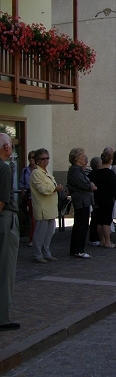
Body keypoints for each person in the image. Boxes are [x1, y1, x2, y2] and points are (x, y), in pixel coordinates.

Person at [0, 133, 20, 331]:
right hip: (5, 219)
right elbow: (2, 199)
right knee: (6, 269)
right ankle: (2, 317)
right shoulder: (3, 169)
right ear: (6, 147)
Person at [30, 148, 63, 263]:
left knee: (49, 233)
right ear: (37, 160)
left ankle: (46, 252)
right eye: (42, 159)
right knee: (40, 233)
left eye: (47, 158)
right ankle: (38, 254)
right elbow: (42, 189)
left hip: (51, 208)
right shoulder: (36, 173)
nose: (45, 161)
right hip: (42, 208)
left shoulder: (47, 172)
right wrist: (55, 188)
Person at [68, 148, 96, 258]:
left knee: (83, 225)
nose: (85, 158)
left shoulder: (79, 169)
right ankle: (78, 249)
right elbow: (83, 184)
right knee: (80, 226)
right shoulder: (75, 170)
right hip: (81, 200)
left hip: (85, 200)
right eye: (82, 156)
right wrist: (91, 186)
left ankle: (78, 248)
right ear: (77, 158)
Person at [91, 151, 116, 249]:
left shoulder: (96, 173)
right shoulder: (110, 173)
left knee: (99, 221)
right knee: (107, 220)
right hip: (107, 199)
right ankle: (107, 241)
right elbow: (113, 187)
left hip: (97, 198)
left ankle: (102, 241)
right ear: (111, 160)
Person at [19, 150, 37, 246]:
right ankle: (32, 237)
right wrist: (23, 193)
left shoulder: (38, 170)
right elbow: (21, 182)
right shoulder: (25, 170)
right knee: (31, 217)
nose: (31, 159)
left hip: (37, 197)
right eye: (29, 157)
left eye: (33, 157)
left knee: (35, 218)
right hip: (29, 197)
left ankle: (34, 237)